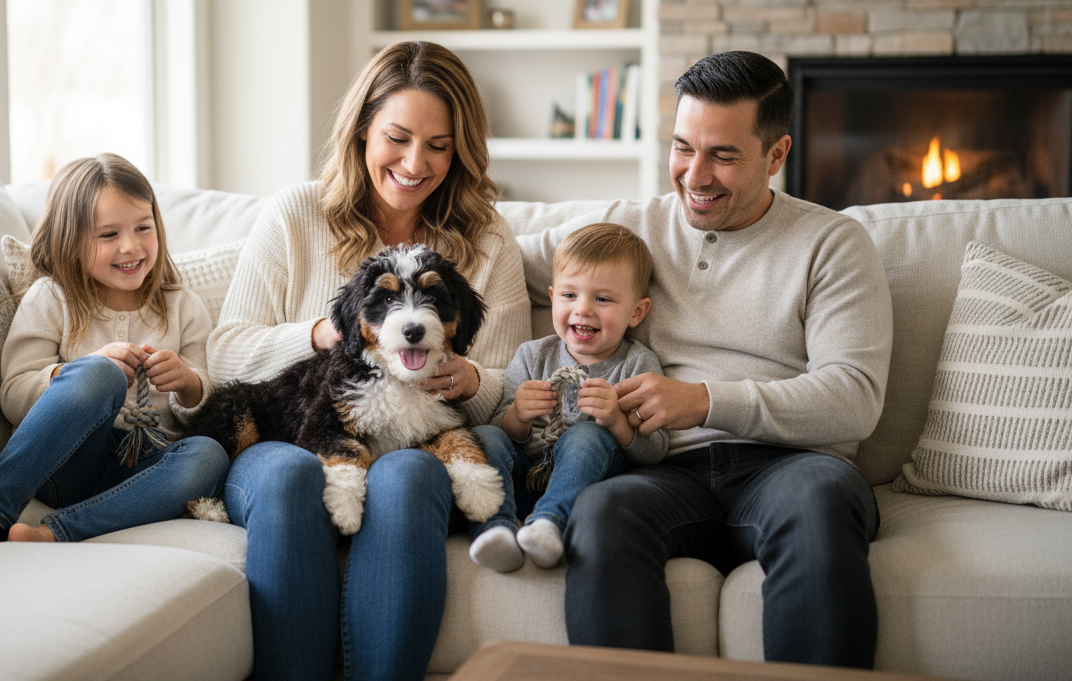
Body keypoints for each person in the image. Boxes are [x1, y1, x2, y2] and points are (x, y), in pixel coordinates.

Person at [522, 51, 892, 668]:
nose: (695, 175)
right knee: (601, 508)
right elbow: (494, 261)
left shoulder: (832, 244)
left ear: (776, 156)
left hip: (791, 467)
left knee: (820, 500)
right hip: (663, 471)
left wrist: (705, 401)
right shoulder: (626, 229)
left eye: (723, 155)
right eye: (682, 148)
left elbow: (853, 397)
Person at [206, 40, 531, 681]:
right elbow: (223, 355)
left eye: (439, 146)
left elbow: (508, 385)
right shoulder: (296, 214)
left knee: (409, 478)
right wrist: (331, 333)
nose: (416, 163)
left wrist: (470, 378)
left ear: (461, 151)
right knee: (289, 478)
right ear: (360, 133)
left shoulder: (488, 240)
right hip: (291, 433)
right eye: (398, 137)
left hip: (415, 438)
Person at [0, 153, 228, 544]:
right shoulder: (52, 298)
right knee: (100, 373)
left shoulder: (183, 307)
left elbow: (205, 408)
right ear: (71, 241)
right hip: (66, 463)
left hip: (142, 469)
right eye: (108, 235)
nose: (130, 246)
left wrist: (188, 383)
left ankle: (55, 534)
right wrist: (79, 371)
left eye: (143, 228)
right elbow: (14, 393)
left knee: (209, 454)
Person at [469, 222, 670, 572]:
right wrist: (518, 414)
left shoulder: (638, 364)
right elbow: (499, 428)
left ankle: (549, 524)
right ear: (551, 298)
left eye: (603, 299)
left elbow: (656, 450)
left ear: (637, 312)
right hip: (524, 476)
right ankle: (495, 529)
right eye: (569, 295)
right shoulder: (533, 356)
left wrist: (617, 422)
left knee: (587, 434)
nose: (583, 309)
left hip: (584, 485)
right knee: (485, 437)